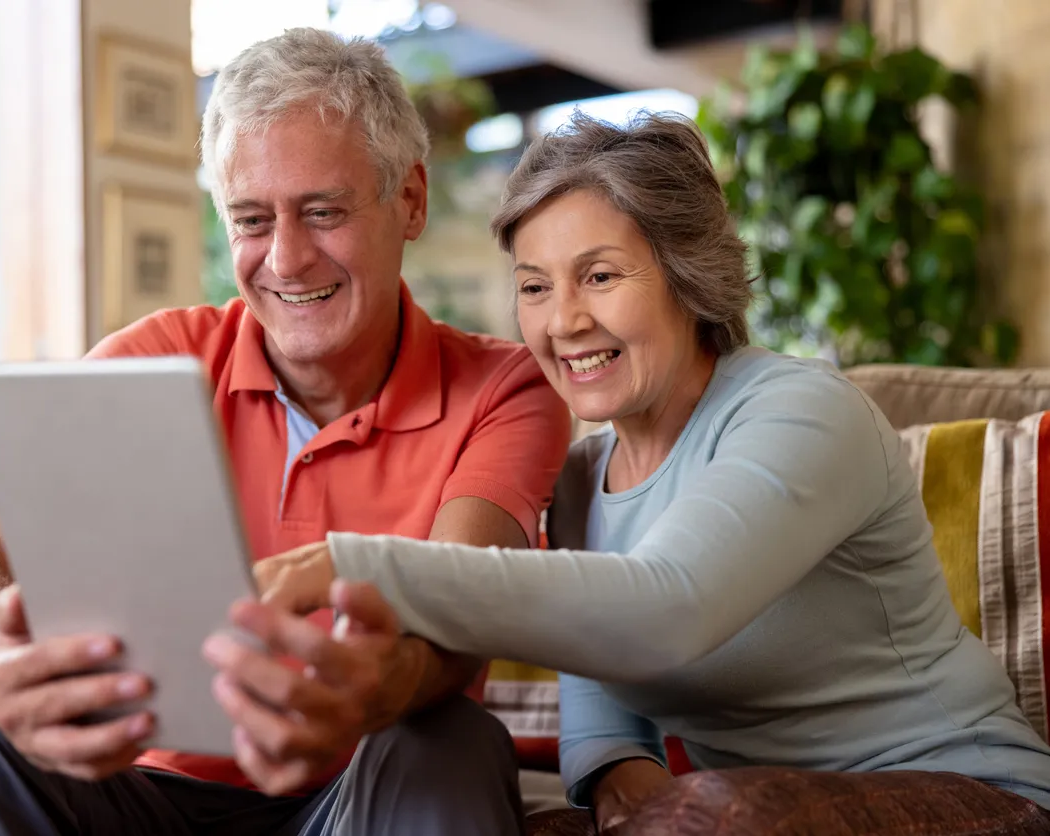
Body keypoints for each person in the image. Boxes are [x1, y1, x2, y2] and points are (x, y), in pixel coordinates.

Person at [255, 112, 1050, 835]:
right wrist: (619, 785)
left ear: (685, 274)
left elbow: (667, 607)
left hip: (971, 794)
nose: (563, 321)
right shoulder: (574, 485)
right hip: (745, 809)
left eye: (598, 276)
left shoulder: (804, 413)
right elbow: (602, 699)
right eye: (534, 287)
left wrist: (356, 562)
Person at [0, 28, 572, 836]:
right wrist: (5, 668)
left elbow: (460, 612)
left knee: (450, 742)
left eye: (323, 212)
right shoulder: (154, 358)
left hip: (358, 794)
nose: (284, 259)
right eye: (251, 220)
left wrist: (365, 686)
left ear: (409, 200)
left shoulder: (504, 386)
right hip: (142, 791)